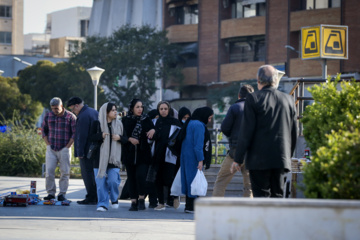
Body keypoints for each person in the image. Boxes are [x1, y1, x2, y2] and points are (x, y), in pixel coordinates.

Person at [231, 65, 297, 198]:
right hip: (281, 159)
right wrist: (287, 157)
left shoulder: (253, 98)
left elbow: (246, 131)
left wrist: (237, 159)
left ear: (258, 80)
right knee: (277, 197)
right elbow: (293, 133)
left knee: (261, 199)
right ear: (275, 80)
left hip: (258, 160)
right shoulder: (289, 100)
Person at [212, 85, 254, 197]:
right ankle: (248, 212)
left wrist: (234, 136)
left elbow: (225, 128)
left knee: (221, 181)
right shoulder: (257, 109)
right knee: (249, 185)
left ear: (239, 95)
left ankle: (216, 210)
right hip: (252, 152)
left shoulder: (235, 107)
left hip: (235, 151)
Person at [88, 102, 127, 211]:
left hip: (114, 159)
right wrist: (100, 135)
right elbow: (90, 138)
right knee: (100, 184)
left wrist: (119, 137)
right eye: (113, 110)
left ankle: (114, 198)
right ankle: (102, 204)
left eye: (116, 109)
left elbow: (126, 139)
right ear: (106, 112)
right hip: (99, 160)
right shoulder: (97, 124)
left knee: (113, 181)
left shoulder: (119, 124)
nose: (115, 112)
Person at [121, 99, 155, 211]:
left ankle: (141, 199)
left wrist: (153, 131)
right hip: (129, 154)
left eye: (141, 107)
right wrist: (129, 139)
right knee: (131, 178)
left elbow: (153, 133)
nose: (140, 109)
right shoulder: (125, 120)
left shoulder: (146, 120)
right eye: (137, 107)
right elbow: (121, 136)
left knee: (141, 176)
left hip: (143, 154)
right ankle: (133, 201)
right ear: (132, 108)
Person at [179, 106, 214, 213]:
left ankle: (188, 205)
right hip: (194, 157)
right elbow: (198, 146)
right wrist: (201, 160)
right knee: (194, 181)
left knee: (188, 180)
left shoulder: (190, 122)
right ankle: (192, 207)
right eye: (209, 118)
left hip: (185, 156)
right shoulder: (199, 125)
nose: (209, 121)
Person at [41, 97, 76, 201]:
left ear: (61, 106)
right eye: (52, 108)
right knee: (49, 171)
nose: (54, 110)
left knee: (65, 172)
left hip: (64, 148)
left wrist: (67, 147)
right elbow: (44, 131)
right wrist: (47, 144)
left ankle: (62, 194)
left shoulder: (70, 117)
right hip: (51, 148)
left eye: (56, 108)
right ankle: (51, 193)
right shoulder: (48, 116)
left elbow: (74, 133)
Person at [67, 97, 98, 205]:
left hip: (86, 151)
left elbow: (81, 136)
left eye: (73, 109)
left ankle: (91, 197)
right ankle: (96, 196)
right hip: (96, 149)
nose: (72, 112)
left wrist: (80, 153)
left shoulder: (83, 116)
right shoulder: (94, 112)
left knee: (87, 174)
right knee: (95, 174)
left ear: (76, 105)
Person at [151, 101, 182, 211]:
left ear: (169, 110)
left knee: (170, 178)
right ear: (158, 110)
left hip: (170, 155)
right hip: (157, 154)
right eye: (161, 109)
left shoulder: (175, 122)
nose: (163, 111)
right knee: (158, 179)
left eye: (165, 109)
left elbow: (179, 138)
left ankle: (174, 197)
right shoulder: (155, 122)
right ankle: (161, 202)